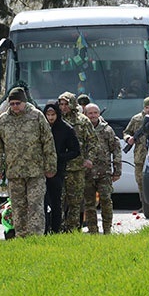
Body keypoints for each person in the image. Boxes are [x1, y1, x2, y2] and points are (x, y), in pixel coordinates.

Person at [0, 87, 57, 238]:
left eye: (17, 103)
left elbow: (48, 142)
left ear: (24, 102)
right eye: (12, 103)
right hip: (14, 172)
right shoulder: (3, 120)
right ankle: (21, 236)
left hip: (36, 172)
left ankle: (36, 237)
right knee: (18, 207)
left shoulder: (36, 116)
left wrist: (50, 166)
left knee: (35, 206)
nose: (14, 107)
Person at [58, 91, 101, 233]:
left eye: (66, 104)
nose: (63, 107)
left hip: (77, 167)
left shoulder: (82, 121)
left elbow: (93, 141)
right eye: (61, 104)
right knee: (59, 200)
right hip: (59, 167)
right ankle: (59, 228)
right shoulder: (55, 119)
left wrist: (89, 159)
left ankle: (73, 229)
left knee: (75, 201)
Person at [83, 103, 121, 234]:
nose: (93, 116)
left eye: (95, 113)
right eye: (90, 113)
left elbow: (116, 149)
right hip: (87, 174)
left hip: (104, 173)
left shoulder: (107, 130)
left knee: (106, 200)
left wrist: (117, 170)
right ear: (85, 115)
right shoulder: (82, 129)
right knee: (89, 204)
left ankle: (107, 230)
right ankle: (93, 230)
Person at [42, 102, 79, 234]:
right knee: (42, 202)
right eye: (48, 115)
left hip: (58, 170)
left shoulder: (66, 129)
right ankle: (44, 229)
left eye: (53, 115)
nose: (51, 118)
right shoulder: (40, 127)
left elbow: (75, 151)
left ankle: (56, 229)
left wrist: (58, 157)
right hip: (40, 170)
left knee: (56, 201)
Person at [123, 96, 149, 203]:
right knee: (140, 181)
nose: (148, 110)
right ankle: (144, 205)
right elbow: (126, 132)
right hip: (139, 155)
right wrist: (128, 138)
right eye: (146, 107)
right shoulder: (136, 119)